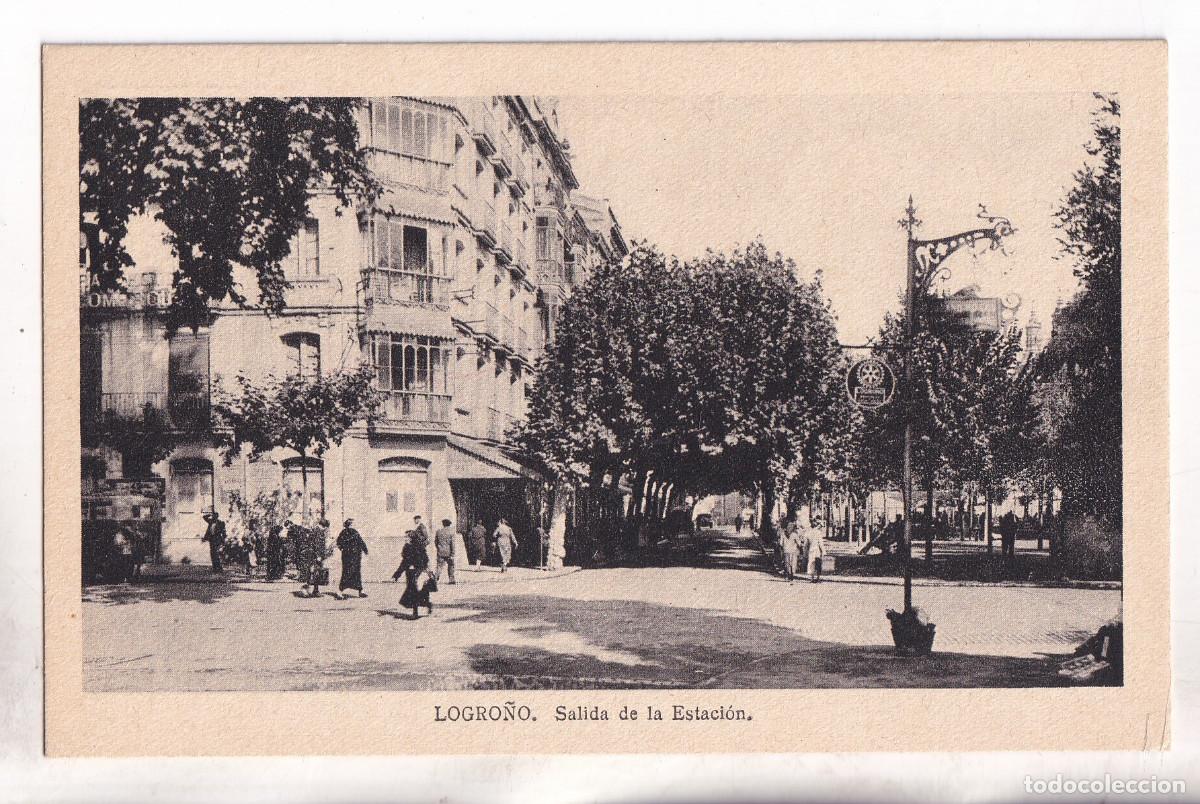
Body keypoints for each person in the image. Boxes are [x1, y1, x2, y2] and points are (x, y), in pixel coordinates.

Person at [393, 530, 434, 618]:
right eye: (405, 537)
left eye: (407, 537)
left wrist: (423, 568)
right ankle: (422, 608)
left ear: (411, 538)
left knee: (416, 592)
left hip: (418, 572)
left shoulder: (419, 547)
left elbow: (425, 559)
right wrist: (397, 574)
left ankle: (421, 609)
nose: (405, 538)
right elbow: (404, 562)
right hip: (410, 573)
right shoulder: (406, 547)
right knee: (413, 592)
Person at [336, 518, 369, 598]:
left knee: (352, 573)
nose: (355, 525)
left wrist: (342, 549)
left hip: (348, 556)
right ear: (350, 524)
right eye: (353, 523)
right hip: (354, 556)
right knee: (350, 573)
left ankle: (360, 591)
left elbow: (338, 542)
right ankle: (340, 591)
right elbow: (361, 542)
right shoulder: (354, 532)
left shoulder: (343, 532)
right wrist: (365, 550)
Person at [804, 512, 827, 583]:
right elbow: (820, 543)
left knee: (811, 564)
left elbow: (806, 544)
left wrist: (805, 553)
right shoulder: (818, 532)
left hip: (811, 550)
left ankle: (812, 578)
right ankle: (818, 578)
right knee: (818, 564)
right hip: (817, 550)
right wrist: (823, 551)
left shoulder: (808, 532)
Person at [434, 518, 456, 585]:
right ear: (449, 524)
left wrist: (438, 548)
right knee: (451, 565)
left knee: (439, 566)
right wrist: (452, 553)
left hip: (440, 551)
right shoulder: (451, 532)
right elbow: (453, 543)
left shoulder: (438, 531)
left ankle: (435, 578)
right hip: (449, 552)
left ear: (443, 524)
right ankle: (451, 579)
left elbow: (436, 542)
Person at [780, 517, 801, 582]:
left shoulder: (783, 534)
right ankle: (792, 576)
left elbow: (780, 543)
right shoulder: (794, 534)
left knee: (787, 563)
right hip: (793, 551)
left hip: (786, 550)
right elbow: (799, 544)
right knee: (793, 563)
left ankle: (787, 576)